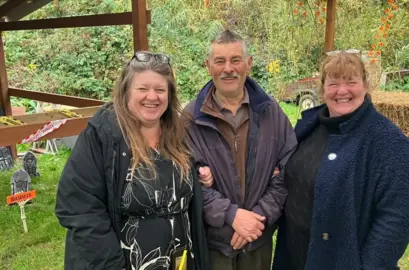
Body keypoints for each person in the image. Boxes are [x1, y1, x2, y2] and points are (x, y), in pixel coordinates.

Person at [55, 51, 209, 270]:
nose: (152, 97)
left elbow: (180, 185)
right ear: (126, 91)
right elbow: (78, 207)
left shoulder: (176, 133)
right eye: (143, 89)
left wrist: (200, 172)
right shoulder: (104, 135)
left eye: (160, 89)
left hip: (180, 261)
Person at [272, 50, 409, 270]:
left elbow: (400, 216)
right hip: (295, 255)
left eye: (351, 82)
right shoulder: (309, 127)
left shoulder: (387, 140)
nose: (342, 91)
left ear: (365, 86)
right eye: (333, 84)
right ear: (323, 90)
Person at [183, 29, 297, 270]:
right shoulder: (190, 117)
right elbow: (185, 180)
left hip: (257, 240)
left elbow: (289, 169)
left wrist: (258, 218)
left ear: (248, 64)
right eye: (220, 61)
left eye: (235, 60)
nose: (228, 68)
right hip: (213, 244)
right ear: (208, 66)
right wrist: (231, 215)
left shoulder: (271, 112)